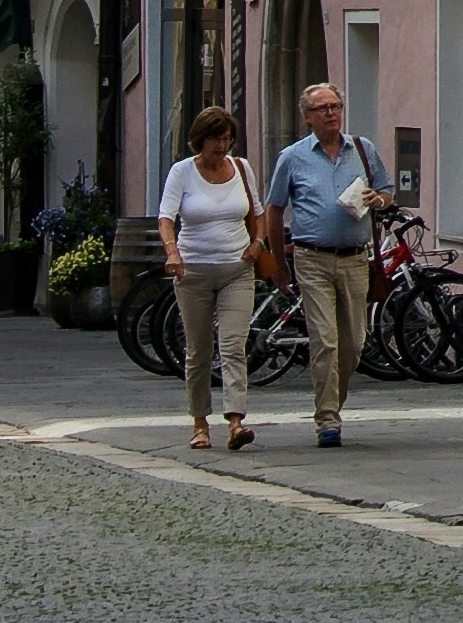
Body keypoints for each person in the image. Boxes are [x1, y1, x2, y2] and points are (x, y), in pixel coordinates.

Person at [264, 83, 388, 452]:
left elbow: (386, 191)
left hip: (355, 257)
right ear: (307, 117)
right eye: (322, 108)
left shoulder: (363, 150)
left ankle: (333, 402)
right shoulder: (293, 157)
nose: (331, 113)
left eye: (335, 106)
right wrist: (276, 261)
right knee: (326, 341)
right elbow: (274, 208)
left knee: (353, 343)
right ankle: (328, 420)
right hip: (312, 256)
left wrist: (377, 199)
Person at [156, 106, 267, 452]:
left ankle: (236, 421)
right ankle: (200, 421)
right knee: (199, 350)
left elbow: (257, 212)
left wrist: (258, 243)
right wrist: (172, 251)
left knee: (233, 345)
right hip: (194, 271)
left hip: (237, 268)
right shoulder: (183, 172)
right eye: (215, 140)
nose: (221, 147)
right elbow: (166, 217)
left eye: (226, 139)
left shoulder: (241, 168)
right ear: (199, 140)